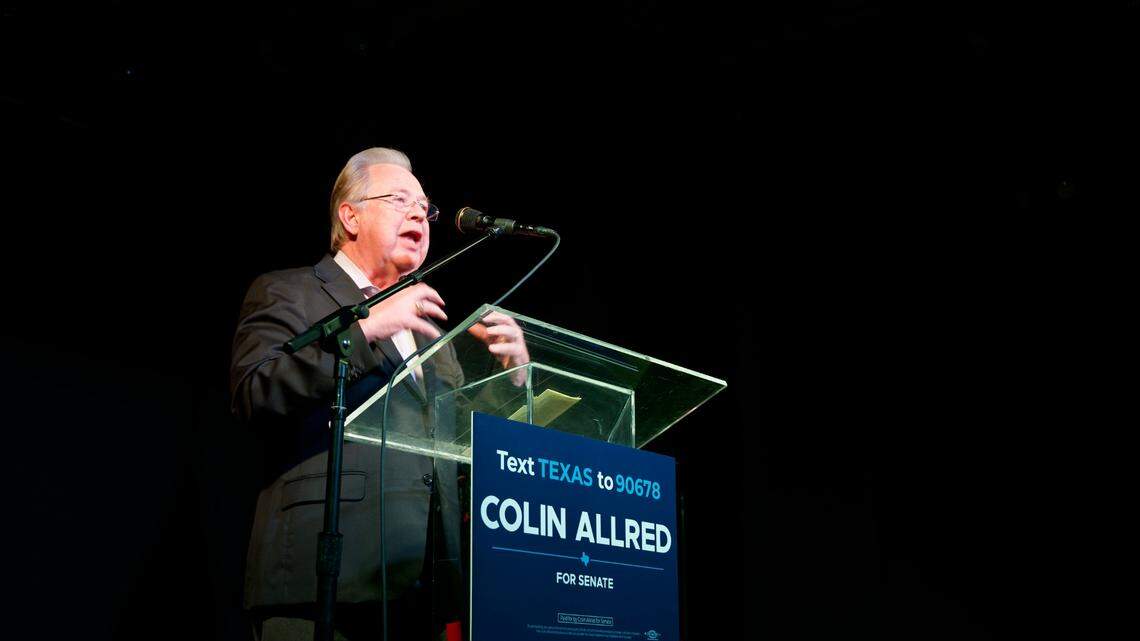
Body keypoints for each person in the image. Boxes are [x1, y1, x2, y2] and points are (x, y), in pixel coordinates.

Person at [231, 147, 529, 640]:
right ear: (350, 216)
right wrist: (364, 331)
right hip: (323, 583)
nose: (419, 213)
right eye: (399, 200)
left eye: (425, 207)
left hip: (424, 590)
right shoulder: (288, 292)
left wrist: (512, 379)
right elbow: (253, 390)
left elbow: (455, 440)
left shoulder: (433, 331)